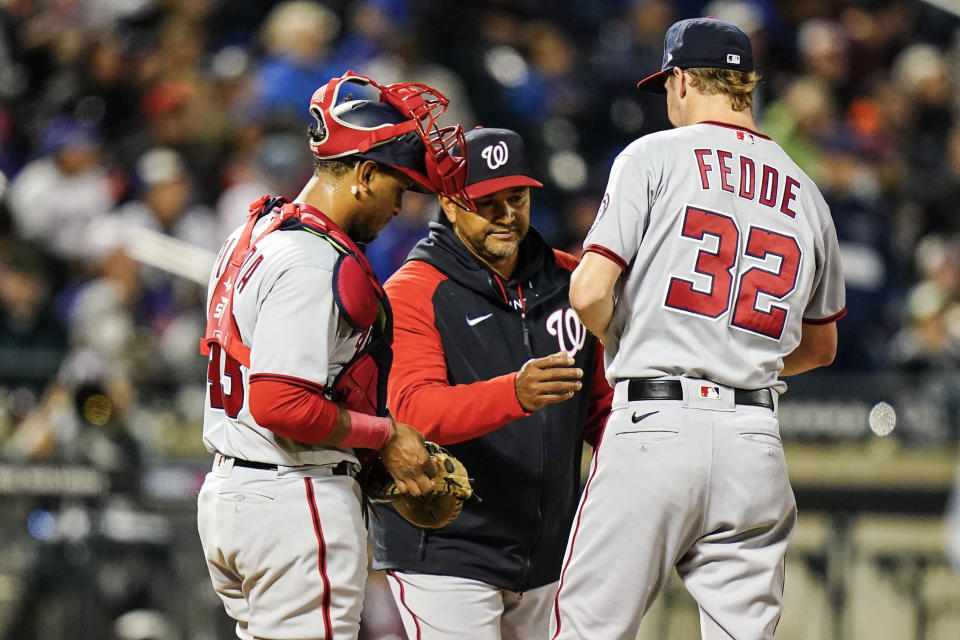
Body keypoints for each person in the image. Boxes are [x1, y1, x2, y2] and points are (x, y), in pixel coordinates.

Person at [551, 18, 846, 640]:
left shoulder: (653, 154)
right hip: (754, 439)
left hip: (656, 424)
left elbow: (588, 291)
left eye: (667, 83)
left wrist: (626, 337)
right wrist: (738, 353)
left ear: (681, 79)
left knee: (588, 629)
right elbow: (821, 346)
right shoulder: (805, 191)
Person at [196, 72, 472, 640]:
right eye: (400, 188)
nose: (402, 207)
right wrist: (385, 437)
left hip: (236, 493)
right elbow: (279, 402)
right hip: (294, 497)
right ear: (365, 175)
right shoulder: (310, 260)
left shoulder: (257, 233)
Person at [370, 126, 613, 639]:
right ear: (451, 204)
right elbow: (413, 410)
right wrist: (514, 394)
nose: (506, 215)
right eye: (487, 201)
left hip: (549, 548)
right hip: (446, 545)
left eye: (516, 197)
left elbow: (602, 408)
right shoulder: (415, 291)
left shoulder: (570, 282)